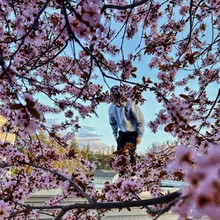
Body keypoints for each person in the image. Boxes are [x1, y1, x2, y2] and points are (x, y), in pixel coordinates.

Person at [108, 85, 145, 169]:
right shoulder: (111, 108)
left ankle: (132, 174)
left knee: (130, 153)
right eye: (114, 97)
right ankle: (121, 172)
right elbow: (113, 123)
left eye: (118, 96)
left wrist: (140, 135)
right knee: (120, 153)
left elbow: (140, 119)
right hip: (122, 132)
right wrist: (115, 134)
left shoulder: (130, 103)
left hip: (132, 132)